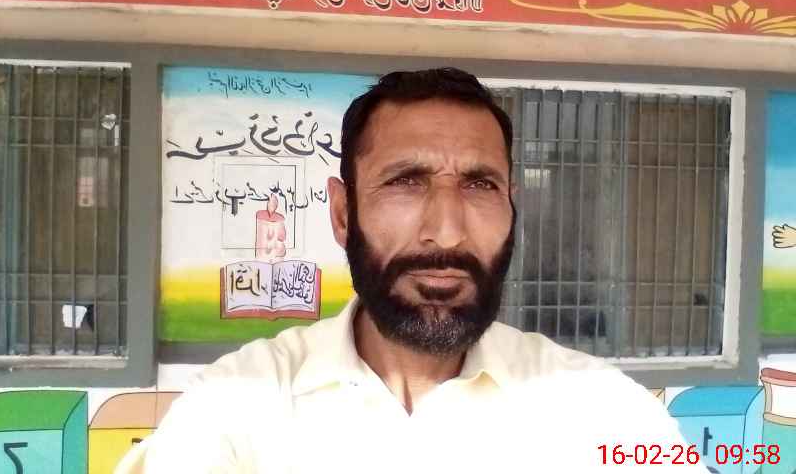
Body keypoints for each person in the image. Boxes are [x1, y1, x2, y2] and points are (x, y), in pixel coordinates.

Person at [119, 68, 707, 473]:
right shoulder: (238, 403)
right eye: (405, 182)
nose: (447, 232)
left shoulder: (599, 406)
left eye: (480, 185)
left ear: (512, 208)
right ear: (343, 214)